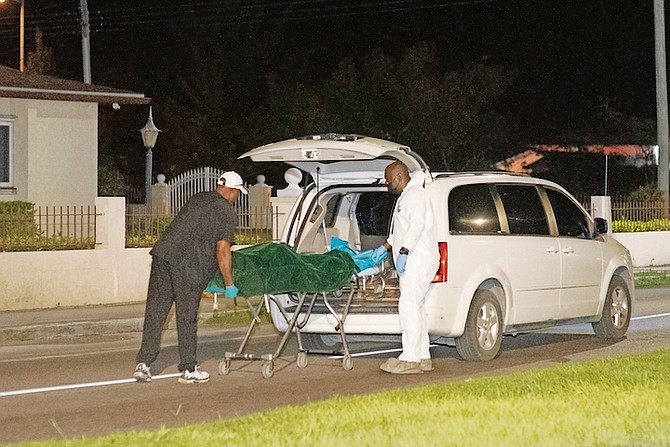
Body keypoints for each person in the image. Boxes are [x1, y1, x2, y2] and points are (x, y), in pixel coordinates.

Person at [133, 171, 247, 384]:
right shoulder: (226, 212)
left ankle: (143, 364)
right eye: (238, 193)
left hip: (163, 255)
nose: (237, 197)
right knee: (187, 316)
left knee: (156, 312)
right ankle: (189, 369)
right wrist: (229, 283)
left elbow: (194, 231)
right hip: (188, 266)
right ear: (232, 191)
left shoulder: (198, 198)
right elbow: (223, 250)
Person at [373, 161, 439, 374]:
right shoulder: (409, 196)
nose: (387, 184)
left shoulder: (415, 196)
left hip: (417, 259)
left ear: (399, 176)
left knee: (408, 306)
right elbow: (403, 229)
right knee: (417, 307)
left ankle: (410, 359)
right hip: (416, 258)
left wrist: (404, 252)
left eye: (389, 179)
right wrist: (385, 247)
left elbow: (417, 226)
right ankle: (422, 355)